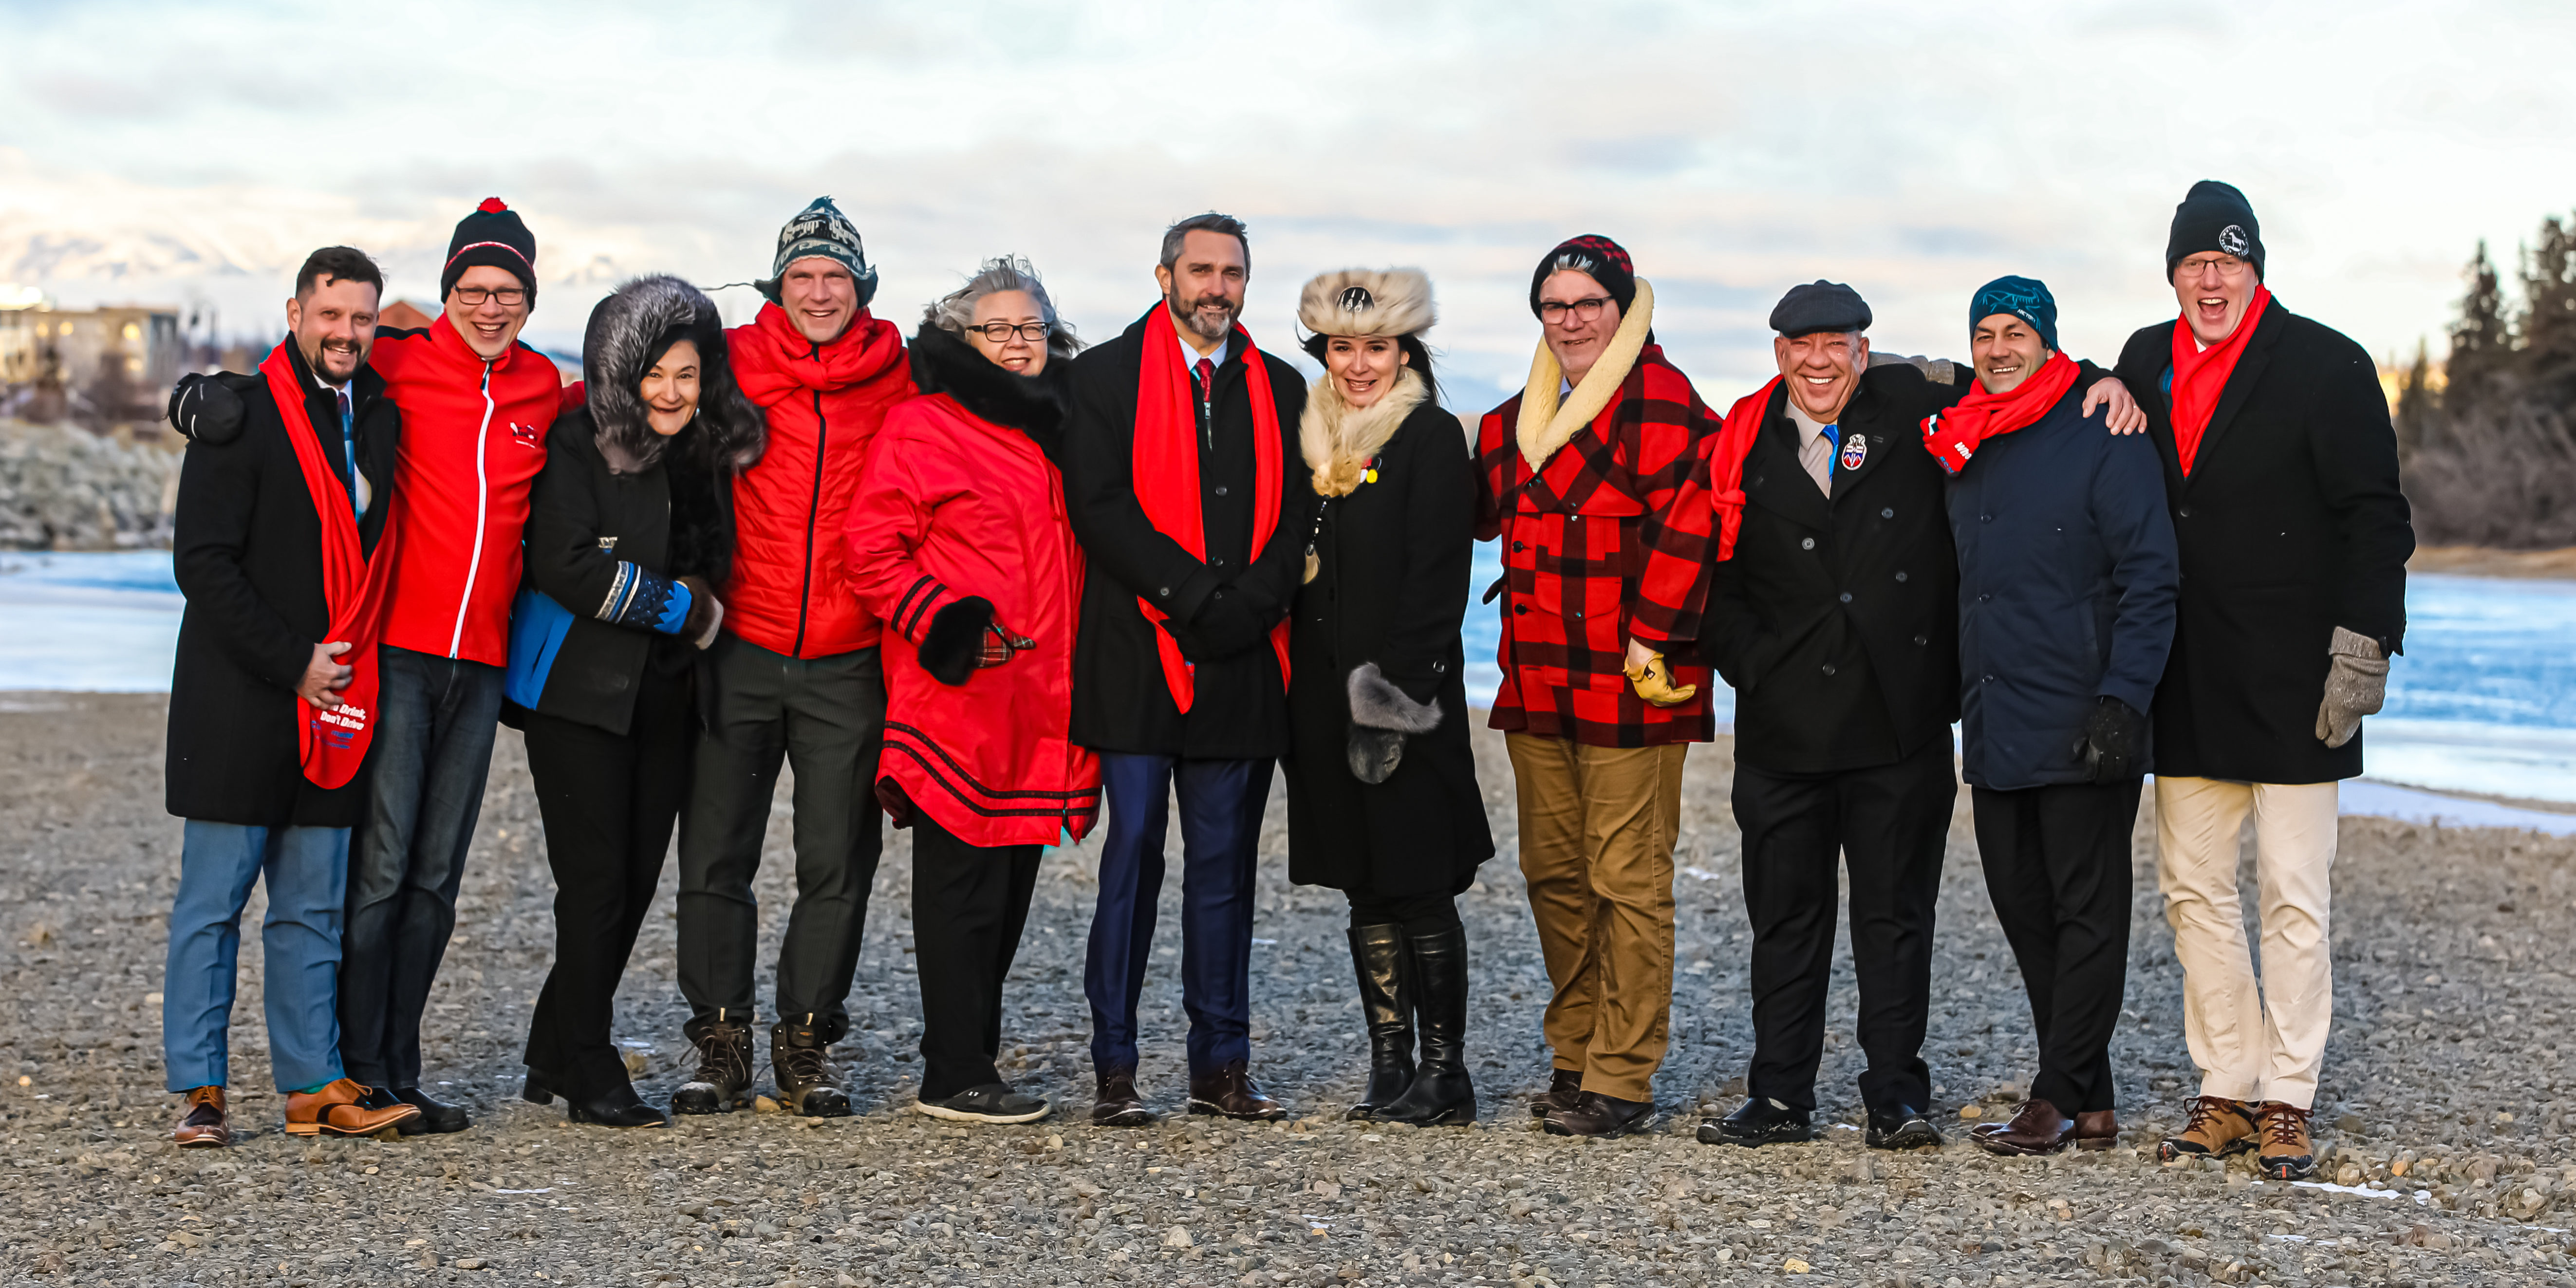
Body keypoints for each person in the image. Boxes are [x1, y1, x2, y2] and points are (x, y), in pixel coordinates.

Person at [1660, 281, 2142, 1152]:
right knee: (1785, 918)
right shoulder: (1741, 438)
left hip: (1898, 719)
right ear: (1779, 355)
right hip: (1782, 725)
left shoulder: (1918, 407)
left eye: (1836, 344)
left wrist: (2103, 378)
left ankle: (1895, 1096)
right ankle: (1778, 1094)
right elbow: (1714, 574)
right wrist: (1752, 664)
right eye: (1800, 346)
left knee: (1894, 919)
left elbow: (2018, 372)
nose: (1818, 361)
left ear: (1862, 350)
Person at [2113, 182, 2412, 1180]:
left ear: (2254, 270)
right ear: (2172, 274)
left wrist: (2364, 646)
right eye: (2192, 263)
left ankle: (2287, 1096)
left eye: (2226, 261)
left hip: (2297, 679)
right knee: (2191, 890)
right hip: (2183, 672)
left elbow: (2377, 516)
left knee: (2292, 894)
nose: (2210, 280)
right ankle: (2226, 1084)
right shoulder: (2142, 360)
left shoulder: (2327, 364)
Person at [158, 246, 421, 1143]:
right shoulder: (238, 413)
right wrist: (292, 660)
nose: (347, 332)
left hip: (337, 697)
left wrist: (324, 671)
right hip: (239, 697)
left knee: (312, 908)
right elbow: (202, 563)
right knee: (213, 906)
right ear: (296, 313)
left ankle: (313, 1083)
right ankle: (201, 1088)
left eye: (362, 318)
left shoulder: (377, 413)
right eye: (331, 314)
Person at [1921, 278, 2179, 1155]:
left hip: (2084, 712)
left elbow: (2150, 576)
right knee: (2021, 903)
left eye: (2015, 333)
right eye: (1984, 334)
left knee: (2086, 909)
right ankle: (2091, 1096)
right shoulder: (1966, 436)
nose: (1998, 348)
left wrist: (2123, 699)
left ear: (2047, 340)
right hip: (1995, 712)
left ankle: (2056, 1094)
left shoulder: (2104, 431)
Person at [844, 257, 1100, 1125]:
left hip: (1045, 697)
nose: (1018, 342)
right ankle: (951, 1070)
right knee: (961, 883)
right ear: (962, 337)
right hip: (962, 687)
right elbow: (871, 551)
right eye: (998, 328)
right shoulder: (924, 424)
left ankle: (972, 1053)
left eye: (1031, 326)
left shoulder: (1066, 423)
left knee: (1012, 879)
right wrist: (945, 621)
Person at [672, 197, 914, 1118]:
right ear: (777, 286)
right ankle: (721, 1038)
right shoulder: (729, 362)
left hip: (849, 655)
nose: (819, 293)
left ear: (862, 287)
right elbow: (634, 404)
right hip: (740, 641)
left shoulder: (901, 378)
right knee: (716, 850)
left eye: (835, 276)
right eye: (802, 276)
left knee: (836, 859)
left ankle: (806, 1038)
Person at [1472, 234, 1717, 1139]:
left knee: (1626, 879)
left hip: (1634, 683)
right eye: (1554, 306)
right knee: (1553, 876)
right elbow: (1465, 513)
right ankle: (1574, 1053)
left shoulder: (1668, 405)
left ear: (1623, 309)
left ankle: (1622, 1074)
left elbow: (1694, 537)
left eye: (1587, 304)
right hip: (1536, 677)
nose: (1569, 321)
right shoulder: (1510, 424)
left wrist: (1652, 641)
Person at [1065, 213, 1307, 1125]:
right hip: (1136, 654)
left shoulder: (1282, 385)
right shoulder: (1102, 375)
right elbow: (1099, 507)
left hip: (1242, 659)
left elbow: (1300, 516)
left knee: (1224, 870)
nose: (1217, 287)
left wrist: (1251, 606)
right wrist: (1195, 595)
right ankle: (1116, 1067)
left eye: (1232, 273)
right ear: (1164, 275)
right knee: (1131, 857)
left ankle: (1221, 1066)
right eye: (1201, 270)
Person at [506, 275, 759, 1128]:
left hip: (667, 698)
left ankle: (554, 1043)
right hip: (576, 694)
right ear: (621, 370)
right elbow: (565, 564)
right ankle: (589, 1065)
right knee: (595, 887)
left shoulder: (704, 452)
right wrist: (684, 608)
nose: (672, 392)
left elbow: (720, 556)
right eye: (655, 373)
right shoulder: (579, 440)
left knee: (636, 882)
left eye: (687, 374)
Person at [345, 197, 565, 1133]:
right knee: (383, 865)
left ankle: (400, 1066)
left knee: (438, 875)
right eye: (473, 290)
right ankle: (355, 1070)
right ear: (447, 294)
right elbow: (308, 366)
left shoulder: (543, 387)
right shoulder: (398, 363)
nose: (489, 307)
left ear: (528, 299)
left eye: (507, 292)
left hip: (480, 665)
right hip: (399, 651)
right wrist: (211, 395)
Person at [1280, 268, 1493, 1126]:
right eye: (1343, 348)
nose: (1359, 365)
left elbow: (1438, 586)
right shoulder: (1309, 438)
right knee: (1361, 882)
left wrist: (1390, 707)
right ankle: (1389, 1062)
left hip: (1401, 701)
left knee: (1417, 881)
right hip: (1318, 702)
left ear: (1405, 351)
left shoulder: (1430, 436)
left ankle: (1445, 1074)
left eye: (1377, 347)